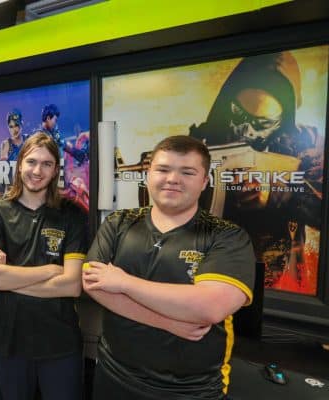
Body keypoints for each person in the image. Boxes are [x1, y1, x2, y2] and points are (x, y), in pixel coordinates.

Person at [82, 136, 256, 400]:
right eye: (163, 169)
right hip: (113, 375)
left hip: (191, 390)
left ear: (204, 181)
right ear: (149, 174)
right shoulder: (119, 223)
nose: (173, 179)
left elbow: (208, 307)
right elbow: (93, 284)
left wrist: (124, 283)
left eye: (187, 172)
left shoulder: (226, 236)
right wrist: (167, 322)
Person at [188, 51, 323, 292]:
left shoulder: (307, 145)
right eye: (238, 114)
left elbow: (327, 212)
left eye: (262, 123)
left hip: (276, 279)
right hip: (210, 270)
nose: (247, 130)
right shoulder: (201, 142)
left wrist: (276, 193)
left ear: (285, 118)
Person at [0, 132, 88, 400]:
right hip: (9, 342)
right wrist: (49, 271)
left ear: (55, 170)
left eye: (47, 164)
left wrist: (10, 278)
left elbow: (72, 285)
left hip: (60, 344)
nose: (37, 171)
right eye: (31, 162)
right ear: (19, 165)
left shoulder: (71, 214)